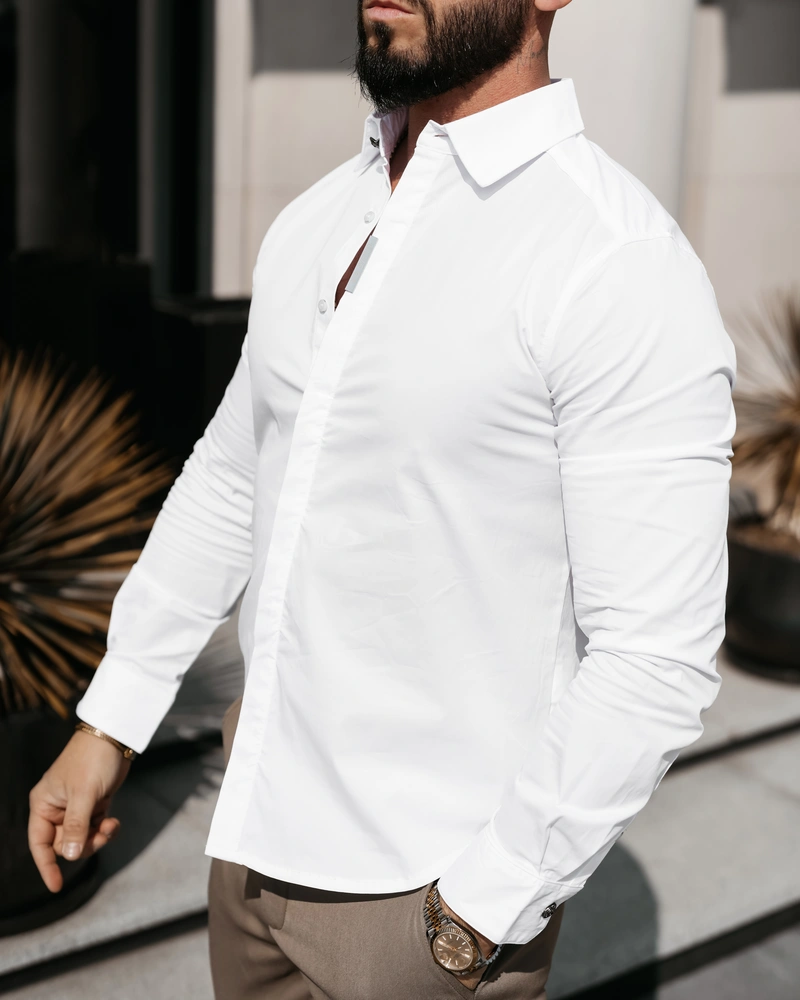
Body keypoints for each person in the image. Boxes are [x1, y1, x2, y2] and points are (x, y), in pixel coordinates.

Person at [28, 1, 736, 997]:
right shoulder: (318, 217)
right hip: (250, 850)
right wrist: (111, 720)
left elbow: (655, 655)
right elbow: (234, 471)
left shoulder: (615, 260)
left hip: (422, 906)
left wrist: (473, 917)